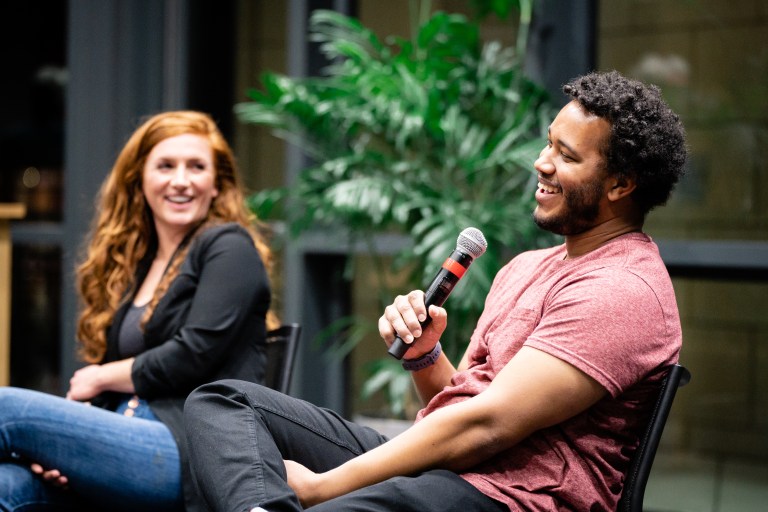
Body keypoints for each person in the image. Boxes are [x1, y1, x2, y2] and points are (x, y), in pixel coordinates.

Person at [183, 70, 687, 511]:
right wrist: (425, 358)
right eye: (548, 142)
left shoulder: (622, 291)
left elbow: (486, 426)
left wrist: (321, 488)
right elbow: (462, 402)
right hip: (453, 473)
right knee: (224, 401)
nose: (542, 162)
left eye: (566, 155)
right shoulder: (527, 267)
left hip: (508, 498)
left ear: (620, 185)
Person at [0, 111, 275, 512]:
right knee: (9, 484)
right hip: (125, 441)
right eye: (165, 166)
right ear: (140, 179)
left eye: (196, 167)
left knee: (6, 410)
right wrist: (67, 453)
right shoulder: (141, 263)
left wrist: (99, 377)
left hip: (190, 451)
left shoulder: (228, 247)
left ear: (217, 184)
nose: (181, 180)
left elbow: (193, 351)